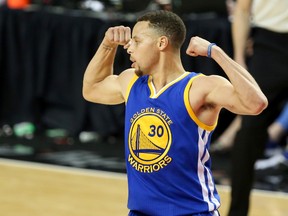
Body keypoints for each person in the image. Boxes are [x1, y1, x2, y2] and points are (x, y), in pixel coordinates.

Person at [82, 10, 267, 216]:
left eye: (137, 41)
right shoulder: (131, 81)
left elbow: (255, 104)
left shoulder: (199, 87)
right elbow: (92, 89)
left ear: (161, 43)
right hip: (141, 212)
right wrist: (107, 45)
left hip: (192, 212)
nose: (128, 47)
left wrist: (215, 52)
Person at [228, 0, 288, 215]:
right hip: (268, 47)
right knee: (249, 132)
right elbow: (243, 10)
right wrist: (238, 58)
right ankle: (237, 211)